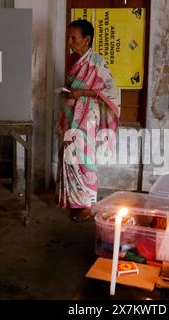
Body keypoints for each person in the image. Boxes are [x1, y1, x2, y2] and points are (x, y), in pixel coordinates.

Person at [57, 19, 120, 222]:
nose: (69, 42)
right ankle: (74, 201)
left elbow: (111, 91)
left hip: (86, 119)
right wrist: (68, 93)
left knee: (85, 160)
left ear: (87, 39)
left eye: (73, 38)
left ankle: (88, 205)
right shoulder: (72, 60)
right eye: (68, 37)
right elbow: (73, 85)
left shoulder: (97, 62)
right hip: (70, 115)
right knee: (69, 157)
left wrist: (82, 92)